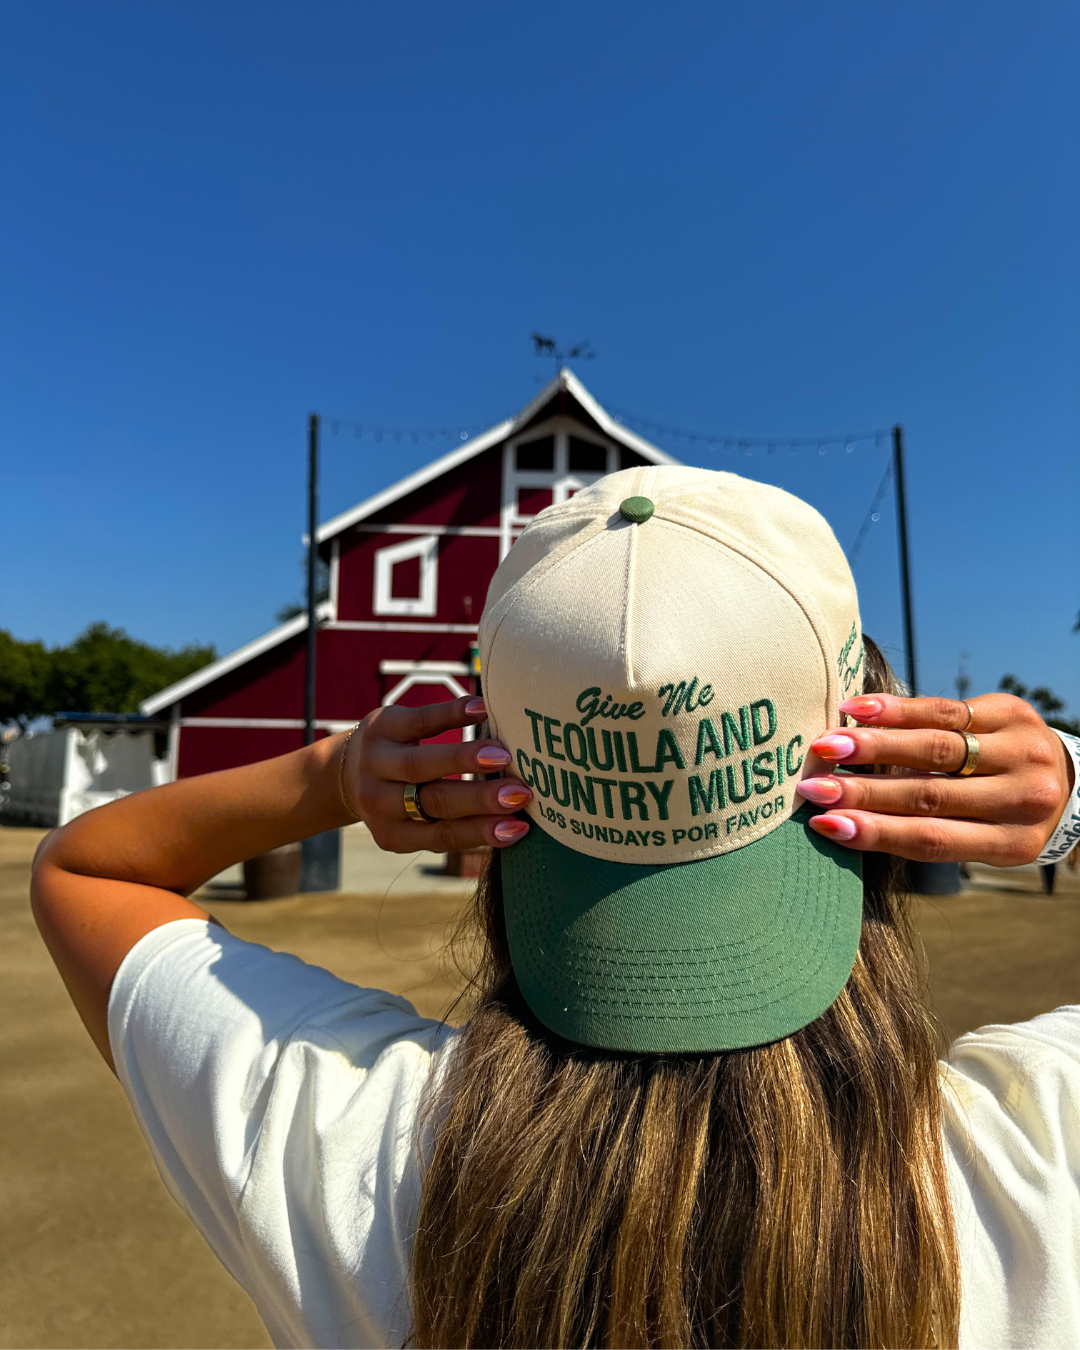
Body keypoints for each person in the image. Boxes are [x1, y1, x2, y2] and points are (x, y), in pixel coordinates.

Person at [31, 467, 1080, 1350]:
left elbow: (85, 871)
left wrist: (341, 775)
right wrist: (1070, 793)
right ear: (882, 734)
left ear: (501, 782)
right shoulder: (1036, 1158)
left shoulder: (347, 1141)